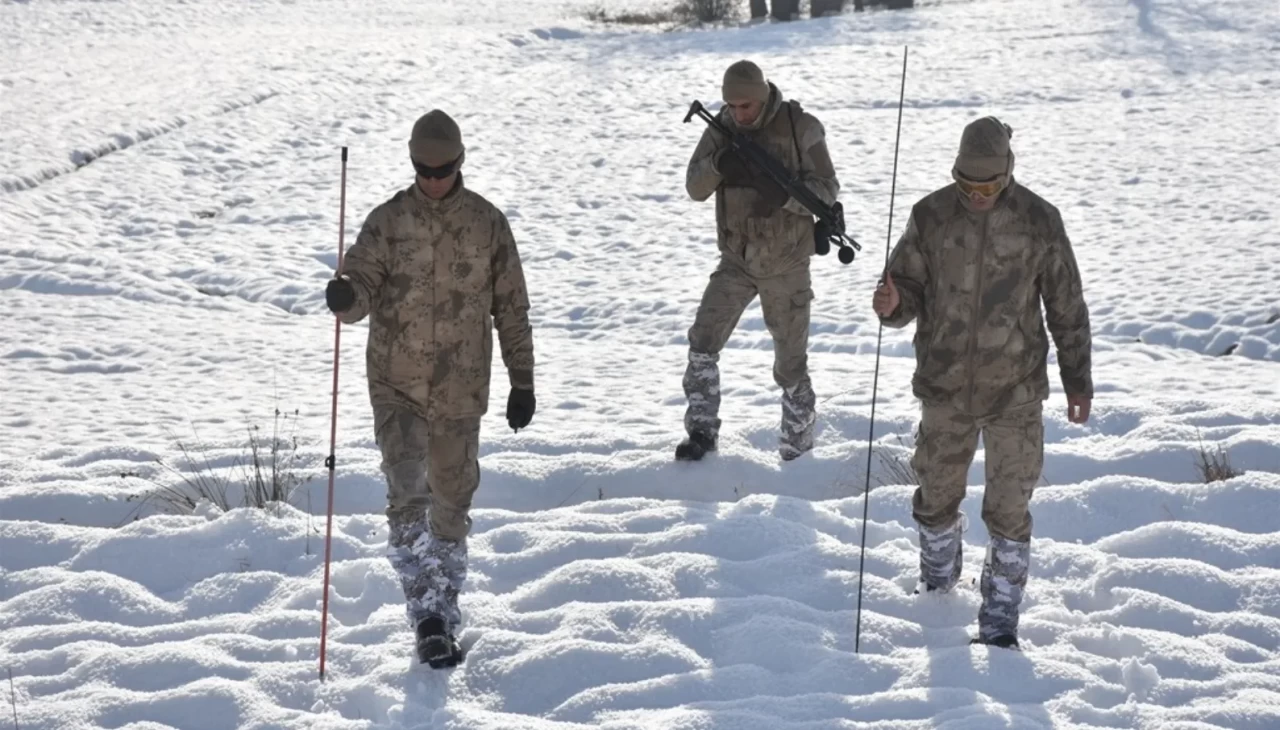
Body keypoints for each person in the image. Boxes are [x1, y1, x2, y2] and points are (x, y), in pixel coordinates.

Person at [324, 109, 536, 668]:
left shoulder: (488, 224)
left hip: (462, 389)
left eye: (443, 171)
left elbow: (512, 309)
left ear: (460, 163)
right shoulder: (388, 222)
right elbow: (360, 284)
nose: (434, 180)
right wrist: (346, 298)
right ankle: (428, 617)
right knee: (407, 495)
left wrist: (523, 380)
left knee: (452, 502)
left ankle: (445, 600)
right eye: (424, 170)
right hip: (396, 384)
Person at [872, 116, 1093, 649]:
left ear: (1007, 173)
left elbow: (1066, 306)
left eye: (988, 187)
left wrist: (1077, 379)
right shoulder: (930, 216)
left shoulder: (1039, 221)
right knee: (935, 498)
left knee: (1010, 511)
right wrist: (893, 304)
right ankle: (937, 594)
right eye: (966, 185)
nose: (976, 196)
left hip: (1016, 391)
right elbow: (905, 288)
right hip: (944, 387)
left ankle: (999, 625)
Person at [679, 59, 841, 462]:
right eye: (731, 106)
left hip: (786, 263)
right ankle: (701, 433)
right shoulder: (721, 128)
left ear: (764, 96)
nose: (738, 114)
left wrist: (783, 194)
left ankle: (797, 450)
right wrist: (718, 164)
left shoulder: (800, 127)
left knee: (790, 365)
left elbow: (827, 190)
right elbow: (694, 187)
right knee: (702, 342)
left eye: (746, 106)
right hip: (736, 260)